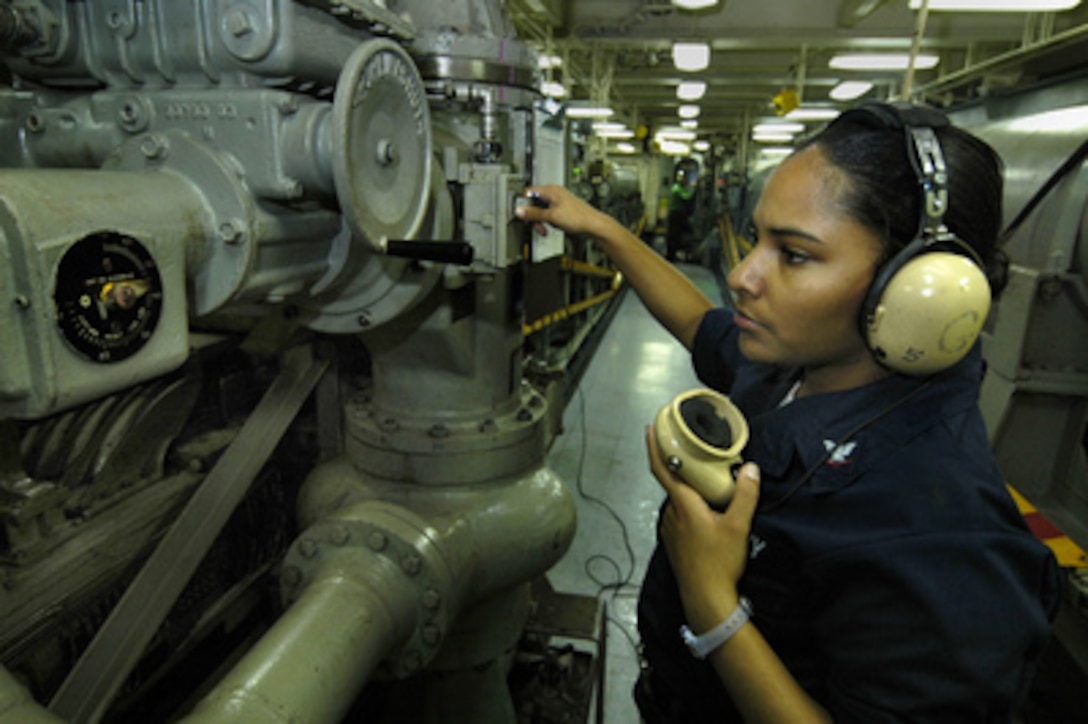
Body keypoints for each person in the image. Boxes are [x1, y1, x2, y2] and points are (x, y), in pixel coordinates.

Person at [516, 101, 1062, 722]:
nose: (744, 274)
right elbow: (700, 324)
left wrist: (714, 605)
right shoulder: (797, 364)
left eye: (794, 254)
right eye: (756, 240)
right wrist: (603, 230)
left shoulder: (942, 533)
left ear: (915, 291)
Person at [666, 168, 696, 261]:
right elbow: (686, 197)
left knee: (675, 235)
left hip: (676, 214)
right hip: (676, 214)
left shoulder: (676, 188)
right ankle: (671, 255)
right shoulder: (677, 188)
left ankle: (672, 254)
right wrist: (694, 189)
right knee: (674, 235)